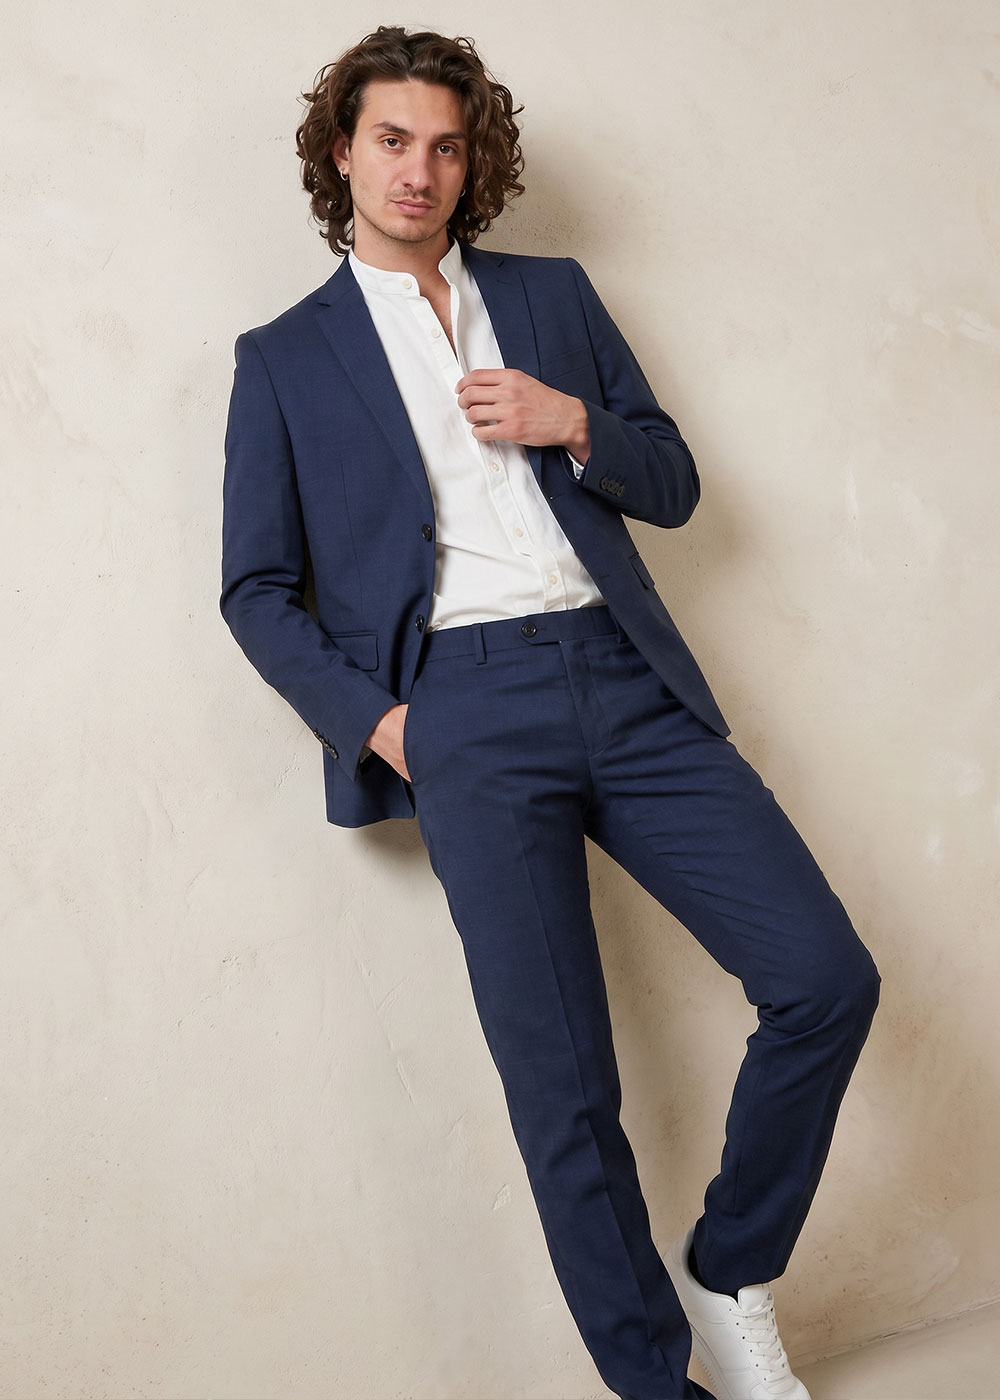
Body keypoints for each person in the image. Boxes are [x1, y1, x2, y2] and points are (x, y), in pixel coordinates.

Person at [221, 26, 880, 1400]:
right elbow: (255, 589)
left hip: (623, 678)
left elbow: (676, 480)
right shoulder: (285, 359)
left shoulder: (553, 294)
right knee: (565, 1093)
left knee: (824, 978)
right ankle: (656, 1386)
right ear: (341, 150)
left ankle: (730, 1268)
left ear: (477, 162)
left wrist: (571, 421)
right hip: (461, 710)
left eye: (446, 144)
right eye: (392, 140)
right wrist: (387, 723)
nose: (420, 170)